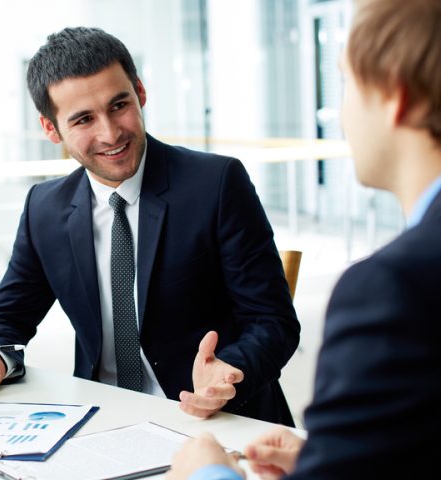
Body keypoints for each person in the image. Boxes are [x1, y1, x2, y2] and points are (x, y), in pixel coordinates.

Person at [0, 27, 300, 426]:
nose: (111, 133)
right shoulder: (44, 209)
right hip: (102, 420)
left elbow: (273, 322)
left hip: (216, 418)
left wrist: (229, 372)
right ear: (51, 130)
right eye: (83, 119)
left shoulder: (217, 184)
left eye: (119, 105)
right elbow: (6, 321)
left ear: (140, 92)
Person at [168, 0, 441, 478]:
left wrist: (207, 472)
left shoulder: (392, 288)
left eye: (346, 82)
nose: (339, 113)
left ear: (395, 94)